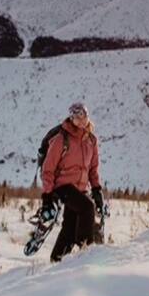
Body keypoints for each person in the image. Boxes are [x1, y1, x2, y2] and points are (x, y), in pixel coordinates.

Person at [40, 102, 106, 262]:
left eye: (83, 117)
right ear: (71, 119)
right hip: (62, 187)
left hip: (80, 188)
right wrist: (47, 196)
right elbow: (48, 169)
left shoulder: (91, 140)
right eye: (76, 118)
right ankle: (85, 253)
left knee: (69, 227)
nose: (80, 121)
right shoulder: (61, 138)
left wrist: (97, 190)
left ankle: (56, 260)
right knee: (87, 207)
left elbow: (93, 170)